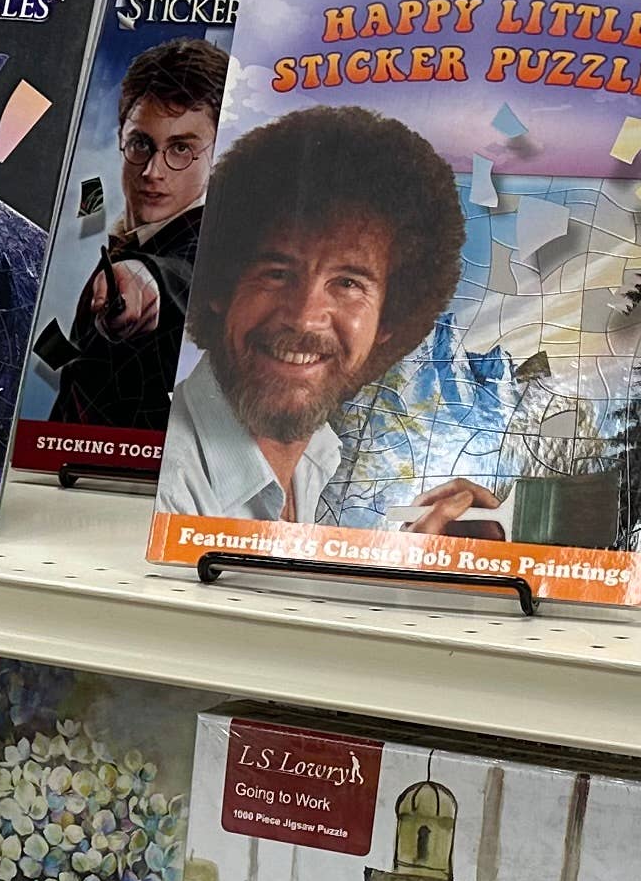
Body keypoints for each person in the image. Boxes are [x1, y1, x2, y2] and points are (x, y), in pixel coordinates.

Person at [157, 104, 473, 526]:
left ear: (388, 321)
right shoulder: (169, 488)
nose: (305, 317)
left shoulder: (318, 455)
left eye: (348, 283)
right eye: (277, 273)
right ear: (220, 286)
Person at [40, 39, 224, 436]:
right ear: (122, 137)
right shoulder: (130, 239)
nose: (153, 171)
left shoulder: (216, 251)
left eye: (181, 148)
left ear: (217, 155)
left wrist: (145, 281)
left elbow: (181, 276)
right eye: (141, 144)